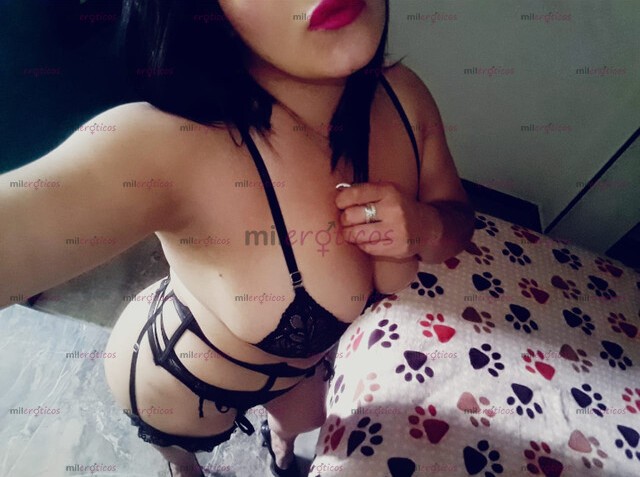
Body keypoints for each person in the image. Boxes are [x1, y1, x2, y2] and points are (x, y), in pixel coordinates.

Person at [0, 0, 474, 476]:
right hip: (178, 378)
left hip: (296, 371)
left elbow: (458, 219)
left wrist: (427, 226)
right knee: (185, 461)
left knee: (304, 425)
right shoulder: (173, 147)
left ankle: (279, 446)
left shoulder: (405, 98)